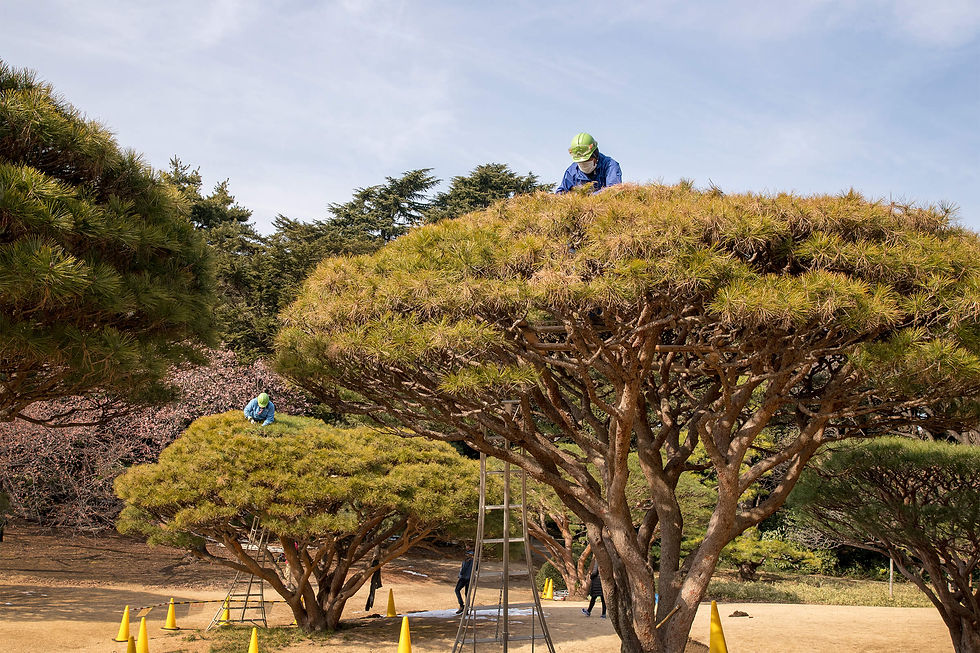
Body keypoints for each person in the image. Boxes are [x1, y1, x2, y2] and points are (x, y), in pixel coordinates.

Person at [555, 132, 622, 194]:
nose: (583, 164)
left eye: (586, 160)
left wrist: (589, 197)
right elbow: (561, 193)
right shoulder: (572, 171)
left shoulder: (610, 166)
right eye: (580, 162)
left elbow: (613, 189)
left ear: (595, 155)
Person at [455, 550, 476, 615]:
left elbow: (463, 570)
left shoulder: (467, 560)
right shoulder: (475, 561)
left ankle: (462, 605)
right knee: (467, 594)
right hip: (470, 578)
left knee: (457, 590)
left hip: (464, 578)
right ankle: (466, 609)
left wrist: (460, 574)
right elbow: (476, 569)